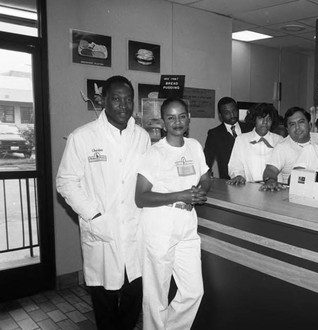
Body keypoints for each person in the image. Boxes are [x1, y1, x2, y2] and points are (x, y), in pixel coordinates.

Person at [56, 75, 150, 330]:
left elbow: (148, 179)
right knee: (104, 301)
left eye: (128, 99)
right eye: (116, 99)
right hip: (101, 231)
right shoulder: (83, 136)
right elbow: (65, 182)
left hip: (134, 231)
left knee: (133, 297)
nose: (123, 105)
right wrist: (94, 216)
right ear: (103, 100)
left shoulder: (142, 137)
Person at [135, 98, 211, 330]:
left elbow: (206, 177)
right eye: (171, 117)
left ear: (188, 118)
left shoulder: (194, 146)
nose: (177, 122)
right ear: (163, 123)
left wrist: (199, 192)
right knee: (156, 295)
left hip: (187, 225)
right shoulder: (155, 153)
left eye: (181, 116)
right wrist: (180, 196)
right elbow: (141, 197)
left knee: (193, 291)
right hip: (160, 226)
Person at [260, 107, 318, 191]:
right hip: (295, 193)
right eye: (292, 124)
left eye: (301, 122)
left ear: (309, 124)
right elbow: (270, 170)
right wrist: (270, 180)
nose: (297, 127)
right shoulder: (282, 147)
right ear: (287, 129)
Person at [227, 103, 284, 184]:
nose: (265, 122)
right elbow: (235, 165)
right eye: (261, 118)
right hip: (249, 189)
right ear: (254, 119)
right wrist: (238, 176)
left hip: (273, 188)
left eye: (269, 119)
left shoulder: (279, 140)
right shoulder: (242, 139)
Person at [204, 97, 252, 179]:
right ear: (220, 115)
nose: (232, 115)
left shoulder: (249, 129)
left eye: (234, 111)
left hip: (251, 180)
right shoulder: (214, 134)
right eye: (227, 113)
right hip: (228, 183)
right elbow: (206, 162)